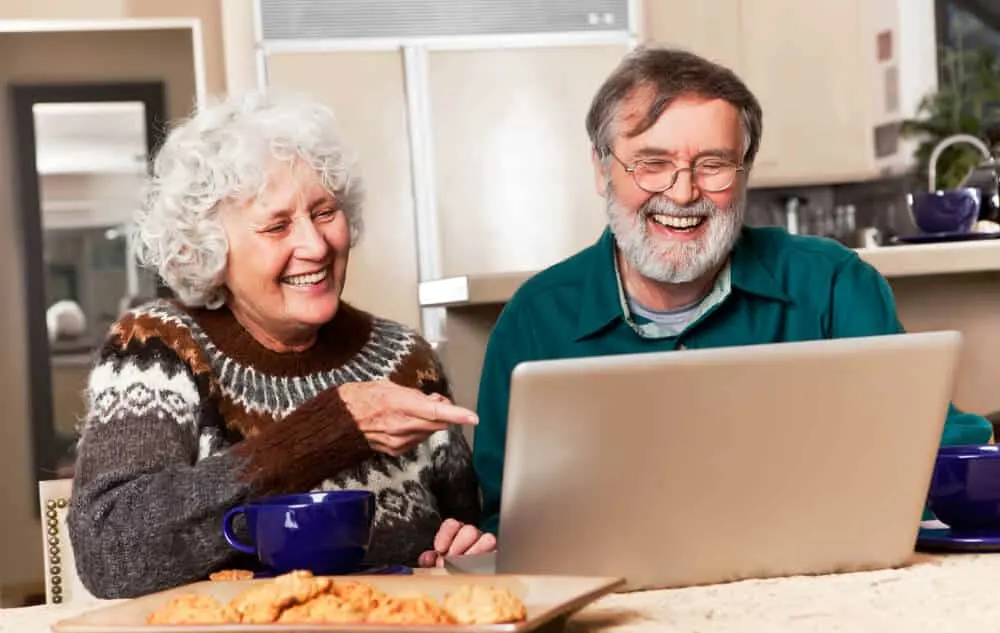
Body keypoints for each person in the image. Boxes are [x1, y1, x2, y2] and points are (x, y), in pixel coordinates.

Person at [472, 46, 994, 536]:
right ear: (601, 169)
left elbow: (937, 453)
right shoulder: (532, 322)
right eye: (652, 163)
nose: (682, 192)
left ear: (744, 173)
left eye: (713, 164)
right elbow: (509, 522)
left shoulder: (834, 286)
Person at [67, 91, 495, 598]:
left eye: (324, 212)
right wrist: (332, 429)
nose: (315, 246)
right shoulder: (157, 348)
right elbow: (109, 551)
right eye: (276, 226)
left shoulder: (406, 357)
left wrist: (466, 547)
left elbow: (464, 527)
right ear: (207, 248)